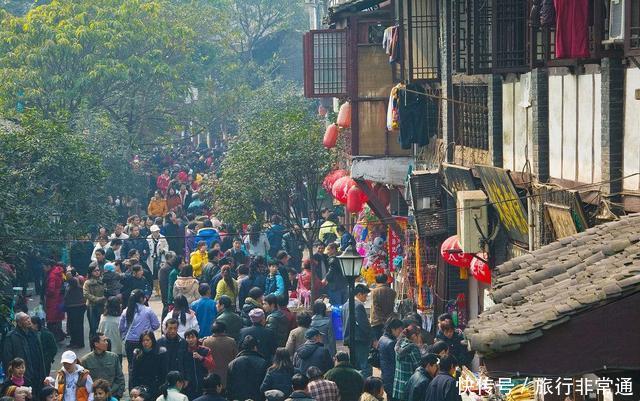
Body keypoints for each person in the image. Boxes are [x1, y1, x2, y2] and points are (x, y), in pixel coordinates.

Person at [120, 289, 161, 373]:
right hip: (144, 341)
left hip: (130, 342)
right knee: (145, 364)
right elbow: (156, 325)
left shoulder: (125, 311)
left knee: (132, 365)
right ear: (142, 299)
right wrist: (148, 329)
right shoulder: (148, 310)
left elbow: (121, 328)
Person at [80, 333, 125, 400]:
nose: (107, 343)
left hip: (113, 395)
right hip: (95, 397)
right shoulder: (85, 360)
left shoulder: (113, 357)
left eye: (106, 340)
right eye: (104, 341)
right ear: (96, 344)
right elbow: (83, 382)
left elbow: (120, 377)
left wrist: (118, 394)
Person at [342, 284, 374, 377]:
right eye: (365, 295)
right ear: (359, 294)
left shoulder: (345, 305)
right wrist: (372, 338)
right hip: (359, 339)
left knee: (355, 364)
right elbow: (364, 324)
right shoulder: (358, 305)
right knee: (364, 366)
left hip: (349, 338)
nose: (366, 298)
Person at [227, 336, 269, 401]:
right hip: (257, 397)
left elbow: (229, 386)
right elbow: (265, 385)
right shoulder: (263, 363)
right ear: (255, 347)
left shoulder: (233, 363)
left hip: (238, 398)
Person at [130, 331, 167, 399]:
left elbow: (163, 373)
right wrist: (134, 388)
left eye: (147, 340)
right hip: (141, 385)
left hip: (156, 385)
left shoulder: (159, 352)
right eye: (143, 340)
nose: (145, 342)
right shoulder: (138, 353)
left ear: (152, 340)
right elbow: (134, 373)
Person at [202, 322, 237, 391]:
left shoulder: (206, 341)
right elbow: (235, 357)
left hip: (211, 375)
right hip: (227, 375)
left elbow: (204, 359)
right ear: (224, 330)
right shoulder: (231, 341)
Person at [392, 324, 422, 401]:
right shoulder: (413, 348)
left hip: (398, 386)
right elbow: (420, 367)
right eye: (419, 335)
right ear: (414, 336)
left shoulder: (400, 344)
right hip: (408, 387)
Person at [184, 330, 215, 400]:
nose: (191, 340)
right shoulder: (183, 351)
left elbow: (211, 365)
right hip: (188, 386)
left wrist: (201, 358)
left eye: (193, 337)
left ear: (197, 338)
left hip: (203, 385)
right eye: (188, 338)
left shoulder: (205, 350)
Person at [378, 318, 404, 400]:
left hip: (385, 375)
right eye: (399, 330)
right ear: (393, 329)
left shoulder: (382, 338)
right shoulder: (391, 343)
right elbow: (396, 360)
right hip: (392, 377)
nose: (400, 333)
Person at [64, 269, 86, 349]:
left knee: (76, 325)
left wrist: (70, 274)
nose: (66, 275)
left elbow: (71, 279)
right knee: (73, 325)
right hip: (73, 306)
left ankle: (78, 342)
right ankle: (75, 341)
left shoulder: (75, 280)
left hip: (76, 306)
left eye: (68, 274)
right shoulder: (74, 281)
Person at [370, 274, 396, 340]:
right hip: (389, 320)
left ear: (376, 281)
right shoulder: (392, 292)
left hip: (377, 321)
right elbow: (392, 305)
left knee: (378, 341)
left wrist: (382, 318)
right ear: (386, 281)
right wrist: (386, 318)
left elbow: (376, 307)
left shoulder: (374, 291)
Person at [83, 264, 106, 340]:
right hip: (92, 306)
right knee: (94, 328)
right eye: (95, 271)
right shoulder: (87, 282)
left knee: (102, 326)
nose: (97, 272)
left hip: (103, 306)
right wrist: (97, 299)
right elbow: (86, 294)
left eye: (98, 270)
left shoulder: (102, 280)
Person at [98, 297, 124, 363]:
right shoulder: (120, 320)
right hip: (118, 349)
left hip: (105, 347)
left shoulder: (102, 318)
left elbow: (100, 332)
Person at [44, 262, 66, 341]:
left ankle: (55, 337)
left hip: (53, 300)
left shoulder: (52, 276)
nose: (44, 269)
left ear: (49, 266)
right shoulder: (58, 272)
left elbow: (51, 290)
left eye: (44, 267)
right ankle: (60, 335)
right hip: (59, 299)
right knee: (58, 318)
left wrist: (46, 293)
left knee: (52, 319)